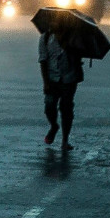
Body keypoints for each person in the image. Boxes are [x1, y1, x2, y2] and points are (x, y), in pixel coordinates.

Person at [38, 18, 84, 151]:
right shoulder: (45, 38)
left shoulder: (74, 39)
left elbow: (80, 53)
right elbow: (43, 61)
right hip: (52, 79)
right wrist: (46, 82)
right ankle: (54, 126)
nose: (53, 24)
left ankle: (65, 140)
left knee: (66, 108)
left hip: (69, 78)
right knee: (49, 107)